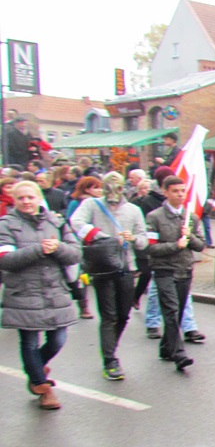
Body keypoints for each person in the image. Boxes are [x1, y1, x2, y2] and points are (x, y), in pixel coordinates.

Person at [0, 180, 81, 409]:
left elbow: (75, 254)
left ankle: (35, 368)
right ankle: (42, 387)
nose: (26, 202)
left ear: (39, 198)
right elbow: (5, 260)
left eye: (30, 197)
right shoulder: (6, 224)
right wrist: (38, 249)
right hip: (23, 292)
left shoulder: (56, 221)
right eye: (20, 198)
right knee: (29, 342)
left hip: (55, 290)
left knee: (58, 339)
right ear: (14, 200)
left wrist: (58, 248)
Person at [70, 172, 148, 380]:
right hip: (102, 268)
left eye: (117, 187)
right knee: (109, 315)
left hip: (126, 267)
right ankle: (110, 359)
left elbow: (143, 240)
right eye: (108, 187)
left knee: (123, 314)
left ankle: (110, 348)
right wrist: (103, 238)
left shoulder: (133, 210)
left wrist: (133, 238)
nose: (113, 192)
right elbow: (76, 222)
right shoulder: (92, 205)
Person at [145, 176, 205, 371]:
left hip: (184, 269)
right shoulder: (154, 217)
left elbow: (200, 245)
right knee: (170, 310)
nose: (180, 195)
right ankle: (179, 354)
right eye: (175, 191)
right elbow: (151, 247)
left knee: (178, 310)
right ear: (165, 192)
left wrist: (189, 236)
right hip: (164, 269)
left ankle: (166, 348)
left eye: (182, 191)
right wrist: (175, 245)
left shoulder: (191, 217)